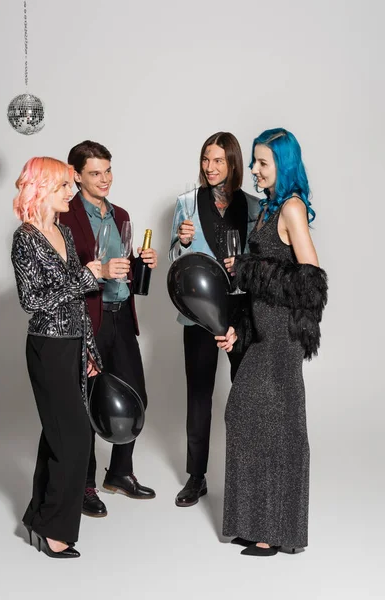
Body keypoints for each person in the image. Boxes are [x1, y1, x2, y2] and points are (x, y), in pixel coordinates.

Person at [220, 128, 328, 557]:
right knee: (249, 418)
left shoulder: (292, 208)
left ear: (283, 166)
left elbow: (312, 282)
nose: (254, 170)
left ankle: (272, 530)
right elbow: (257, 289)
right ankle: (262, 524)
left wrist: (248, 270)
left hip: (283, 338)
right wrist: (239, 329)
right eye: (254, 161)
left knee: (270, 424)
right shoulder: (267, 209)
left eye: (263, 163)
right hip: (263, 333)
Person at [60, 140, 157, 517]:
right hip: (88, 320)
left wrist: (140, 262)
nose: (105, 179)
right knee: (87, 402)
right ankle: (83, 486)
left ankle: (119, 473)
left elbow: (122, 264)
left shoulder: (121, 214)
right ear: (76, 176)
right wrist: (98, 270)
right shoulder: (65, 215)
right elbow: (66, 273)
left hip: (121, 316)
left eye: (108, 171)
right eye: (95, 173)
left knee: (137, 397)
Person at [11, 157, 103, 558]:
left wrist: (90, 349)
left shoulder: (63, 231)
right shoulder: (26, 237)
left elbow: (78, 307)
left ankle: (38, 518)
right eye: (65, 185)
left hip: (73, 344)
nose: (71, 191)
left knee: (56, 436)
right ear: (43, 188)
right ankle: (54, 530)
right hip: (47, 347)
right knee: (75, 439)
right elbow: (32, 302)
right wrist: (85, 278)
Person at [169, 132, 260, 507]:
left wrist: (244, 266)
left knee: (249, 393)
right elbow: (175, 260)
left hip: (242, 313)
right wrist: (183, 241)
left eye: (218, 160)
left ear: (233, 163)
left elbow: (261, 262)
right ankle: (196, 477)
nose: (210, 167)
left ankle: (251, 472)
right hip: (199, 315)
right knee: (199, 396)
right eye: (206, 159)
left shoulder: (255, 206)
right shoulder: (186, 203)